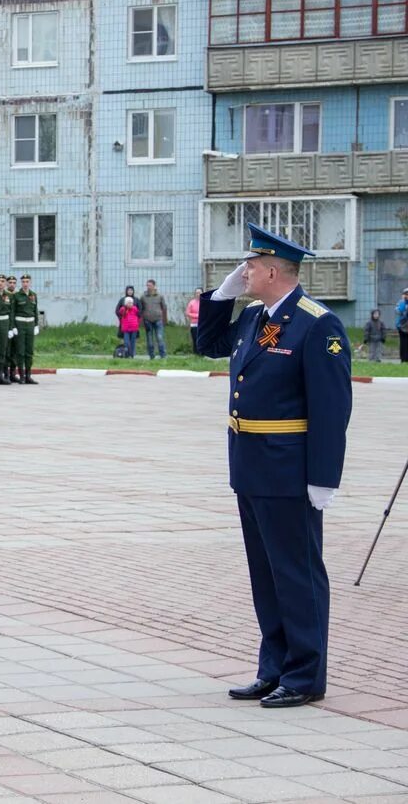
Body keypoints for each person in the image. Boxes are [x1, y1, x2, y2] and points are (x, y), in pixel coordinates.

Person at [197, 223, 351, 709]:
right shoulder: (253, 317)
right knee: (265, 574)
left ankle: (305, 674)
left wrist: (323, 479)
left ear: (270, 269)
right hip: (251, 465)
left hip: (289, 470)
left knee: (296, 572)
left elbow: (332, 408)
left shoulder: (317, 323)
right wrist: (220, 297)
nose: (242, 272)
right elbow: (208, 343)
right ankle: (274, 668)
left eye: (248, 266)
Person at [12, 274, 39, 384]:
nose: (25, 283)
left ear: (30, 282)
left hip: (30, 324)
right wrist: (13, 326)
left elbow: (35, 311)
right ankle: (22, 375)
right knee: (21, 351)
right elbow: (13, 312)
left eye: (27, 281)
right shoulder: (17, 296)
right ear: (21, 283)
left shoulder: (33, 295)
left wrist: (36, 325)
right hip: (20, 324)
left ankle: (28, 375)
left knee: (29, 351)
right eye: (23, 281)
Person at [139, 279, 168, 359]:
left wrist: (165, 320)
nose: (148, 287)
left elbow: (164, 307)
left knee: (160, 337)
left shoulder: (160, 296)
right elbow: (140, 308)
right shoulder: (143, 296)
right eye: (147, 285)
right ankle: (151, 356)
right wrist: (141, 321)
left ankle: (163, 356)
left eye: (150, 285)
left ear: (154, 286)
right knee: (150, 340)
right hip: (147, 320)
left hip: (158, 320)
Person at [186, 288, 202, 353]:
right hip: (194, 324)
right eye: (197, 293)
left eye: (199, 293)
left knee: (201, 339)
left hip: (202, 324)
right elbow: (188, 313)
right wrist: (198, 316)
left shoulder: (204, 302)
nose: (198, 294)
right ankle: (195, 352)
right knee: (195, 338)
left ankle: (202, 352)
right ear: (195, 294)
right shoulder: (191, 303)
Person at [396, 288, 408, 363]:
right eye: (406, 294)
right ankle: (403, 359)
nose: (407, 296)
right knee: (403, 344)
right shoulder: (400, 302)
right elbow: (398, 311)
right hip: (403, 327)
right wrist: (404, 302)